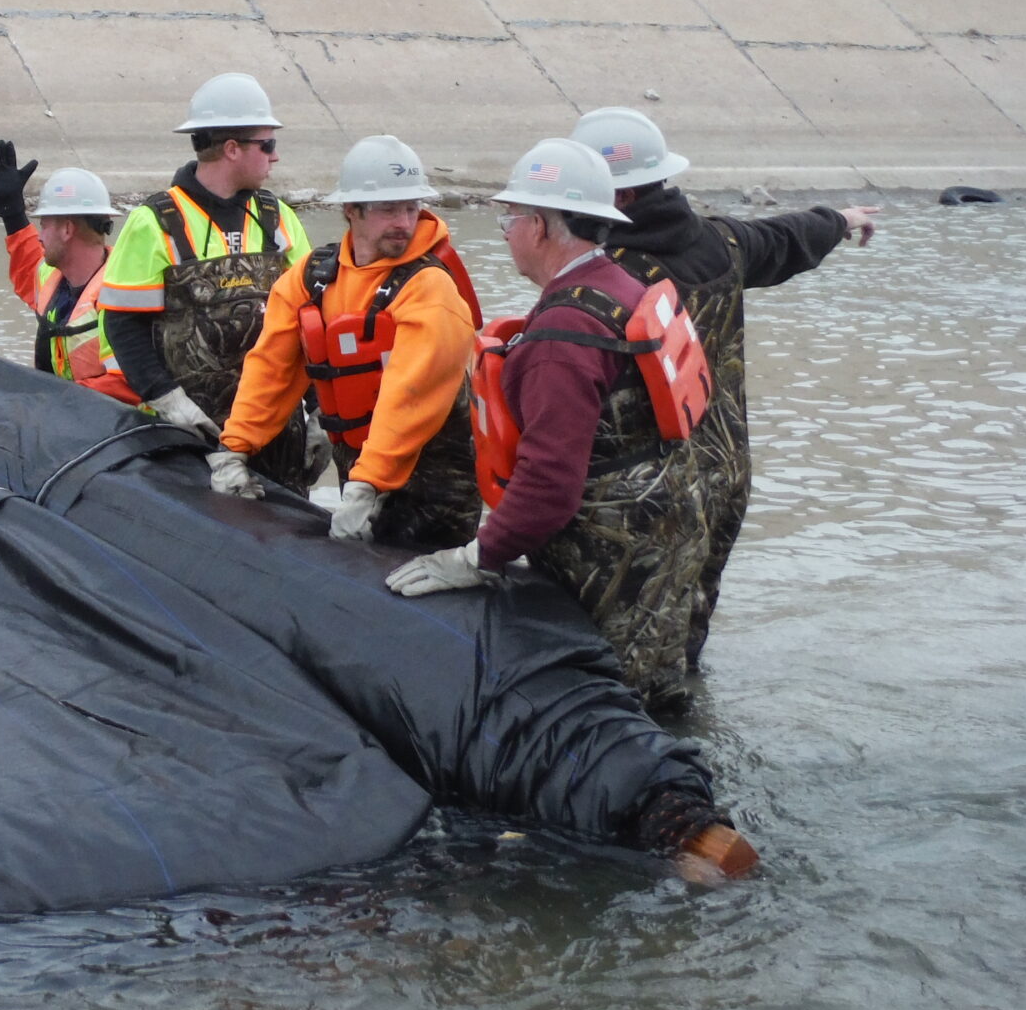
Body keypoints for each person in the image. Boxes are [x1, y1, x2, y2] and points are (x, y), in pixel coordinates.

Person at [386, 138, 711, 714]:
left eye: (509, 218)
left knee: (605, 713)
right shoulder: (618, 285)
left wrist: (476, 558)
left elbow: (550, 485)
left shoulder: (563, 333)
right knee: (661, 694)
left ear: (538, 226)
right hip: (670, 523)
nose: (505, 230)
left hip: (613, 552)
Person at [571, 107, 876, 672]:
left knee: (623, 659)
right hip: (725, 475)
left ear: (619, 199)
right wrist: (840, 217)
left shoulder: (605, 277)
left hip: (648, 492)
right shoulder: (721, 242)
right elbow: (786, 237)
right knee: (686, 634)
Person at [208, 136, 483, 546]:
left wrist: (367, 485)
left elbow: (410, 397)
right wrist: (235, 448)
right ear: (351, 210)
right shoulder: (313, 276)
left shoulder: (431, 288)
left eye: (412, 208)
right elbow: (271, 368)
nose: (404, 223)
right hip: (357, 462)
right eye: (389, 209)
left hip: (435, 477)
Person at [97, 74, 315, 487]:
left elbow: (310, 320)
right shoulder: (156, 222)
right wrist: (168, 401)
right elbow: (122, 325)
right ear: (232, 149)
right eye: (267, 144)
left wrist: (320, 409)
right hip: (192, 440)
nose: (276, 156)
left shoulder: (277, 217)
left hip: (279, 437)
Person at [0, 141, 140, 403]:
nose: (40, 237)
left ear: (67, 229)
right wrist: (12, 213)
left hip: (115, 429)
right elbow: (29, 266)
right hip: (64, 417)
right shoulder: (54, 278)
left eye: (43, 226)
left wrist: (53, 399)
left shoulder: (124, 293)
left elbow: (132, 381)